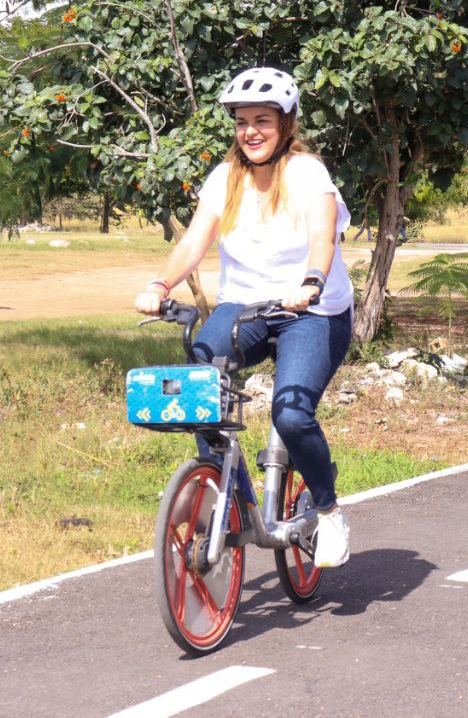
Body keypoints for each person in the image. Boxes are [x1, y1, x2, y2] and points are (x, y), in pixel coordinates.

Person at [134, 67, 354, 567]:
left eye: (262, 121)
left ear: (286, 125)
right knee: (200, 383)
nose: (250, 131)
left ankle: (328, 512)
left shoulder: (306, 173)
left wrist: (311, 282)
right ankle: (222, 489)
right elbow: (194, 241)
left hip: (312, 310)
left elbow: (323, 238)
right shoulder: (225, 177)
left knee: (291, 414)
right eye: (241, 122)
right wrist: (160, 285)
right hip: (246, 308)